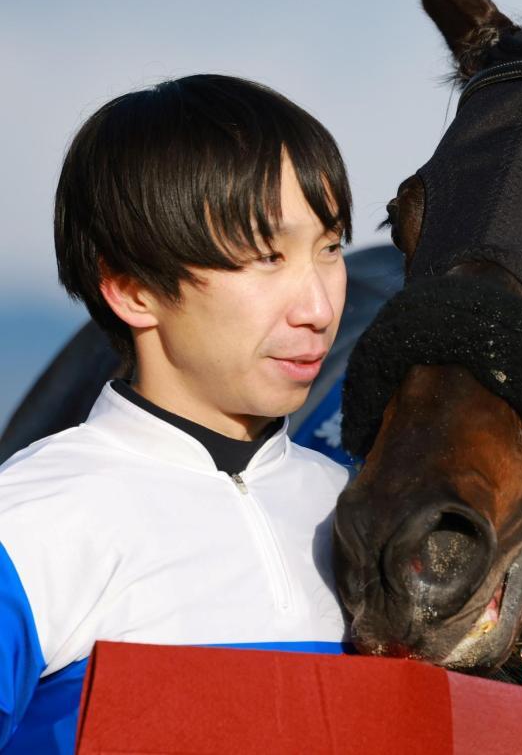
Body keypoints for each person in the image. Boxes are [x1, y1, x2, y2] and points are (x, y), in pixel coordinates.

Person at [0, 74, 353, 753]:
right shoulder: (28, 524)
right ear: (132, 289)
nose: (318, 306)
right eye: (264, 257)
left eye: (329, 248)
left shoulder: (366, 511)